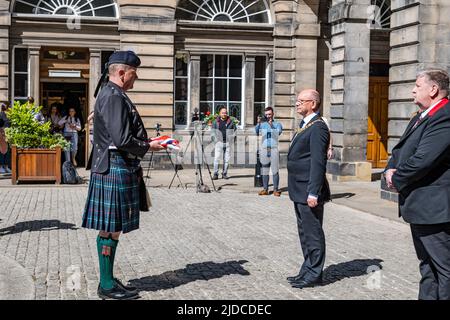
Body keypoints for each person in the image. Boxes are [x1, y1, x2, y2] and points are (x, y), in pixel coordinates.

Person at [81, 51, 163, 300]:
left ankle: (108, 279)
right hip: (114, 166)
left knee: (111, 229)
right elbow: (122, 139)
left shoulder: (112, 94)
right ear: (121, 72)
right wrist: (150, 146)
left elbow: (121, 133)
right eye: (133, 73)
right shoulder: (114, 96)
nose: (135, 78)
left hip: (114, 165)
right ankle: (105, 285)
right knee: (110, 228)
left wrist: (147, 141)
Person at [385, 69, 450, 300]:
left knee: (444, 269)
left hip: (434, 209)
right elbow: (400, 150)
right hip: (419, 206)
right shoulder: (420, 115)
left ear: (433, 90)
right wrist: (389, 170)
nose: (412, 89)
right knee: (427, 266)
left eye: (417, 85)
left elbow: (424, 159)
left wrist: (397, 177)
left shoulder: (445, 115)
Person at [286, 89, 331, 289]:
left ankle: (314, 273)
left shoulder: (318, 127)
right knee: (304, 232)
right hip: (299, 188)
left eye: (301, 101)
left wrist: (314, 191)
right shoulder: (306, 125)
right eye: (297, 101)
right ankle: (308, 268)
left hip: (307, 189)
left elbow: (318, 162)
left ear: (313, 104)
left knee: (312, 232)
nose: (297, 104)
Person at [255, 107, 283, 196]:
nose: (268, 116)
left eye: (269, 114)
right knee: (265, 170)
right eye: (266, 115)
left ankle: (275, 190)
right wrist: (258, 123)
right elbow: (256, 131)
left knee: (275, 170)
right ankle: (265, 189)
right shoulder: (262, 124)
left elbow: (278, 132)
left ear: (273, 114)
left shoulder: (277, 124)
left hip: (274, 149)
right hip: (264, 149)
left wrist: (271, 125)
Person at [211, 106, 237, 180]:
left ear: (227, 114)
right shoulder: (215, 122)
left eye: (225, 113)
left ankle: (224, 173)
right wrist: (215, 141)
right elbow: (212, 132)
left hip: (228, 143)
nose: (224, 114)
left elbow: (235, 132)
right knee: (216, 159)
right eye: (223, 113)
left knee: (226, 160)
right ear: (220, 113)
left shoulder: (231, 122)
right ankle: (215, 174)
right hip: (218, 143)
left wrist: (232, 140)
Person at [0, 103, 11, 174]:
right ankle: (1, 167)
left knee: (7, 151)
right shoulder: (1, 114)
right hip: (2, 134)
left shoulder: (9, 115)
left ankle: (6, 166)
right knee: (1, 150)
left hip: (8, 134)